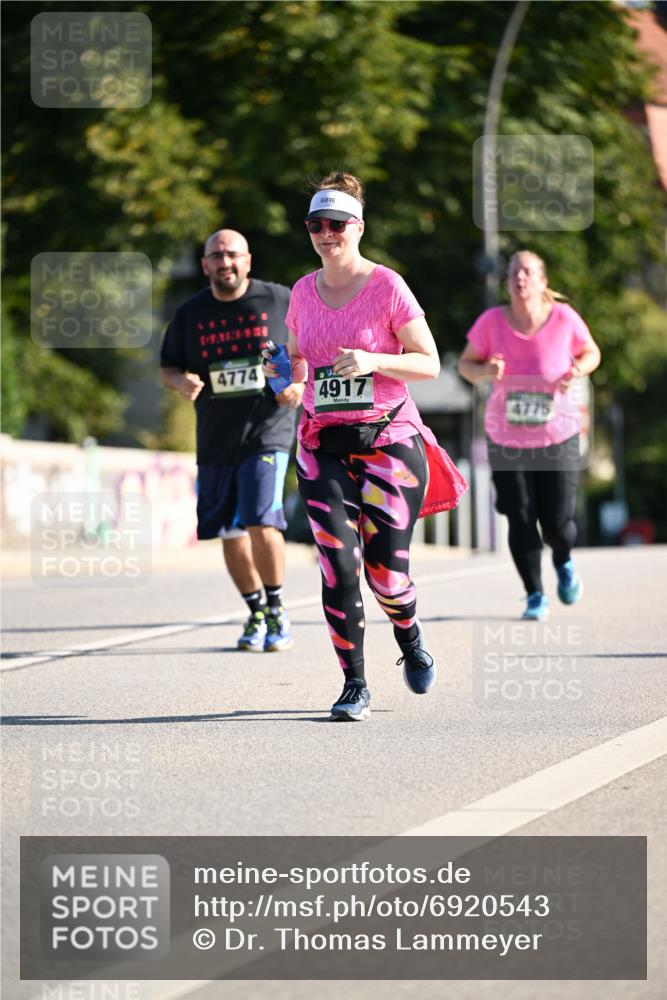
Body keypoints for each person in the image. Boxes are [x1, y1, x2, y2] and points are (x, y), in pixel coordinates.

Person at [263, 172, 467, 720]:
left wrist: (375, 359)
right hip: (322, 442)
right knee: (337, 564)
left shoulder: (387, 286)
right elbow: (296, 361)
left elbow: (429, 362)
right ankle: (354, 685)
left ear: (358, 227)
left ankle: (409, 633)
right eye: (315, 225)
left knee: (386, 575)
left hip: (388, 440)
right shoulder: (303, 291)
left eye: (336, 224)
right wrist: (284, 378)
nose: (326, 234)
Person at [160, 228, 304, 651]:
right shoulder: (190, 314)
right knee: (228, 530)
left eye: (233, 255)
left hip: (268, 429)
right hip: (215, 436)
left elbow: (311, 344)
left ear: (248, 260)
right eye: (217, 256)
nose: (225, 263)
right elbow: (167, 366)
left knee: (261, 518)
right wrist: (179, 382)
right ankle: (255, 609)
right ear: (205, 265)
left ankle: (277, 609)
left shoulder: (281, 299)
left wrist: (300, 382)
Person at [458, 250, 601, 620]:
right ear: (506, 282)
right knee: (520, 517)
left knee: (556, 521)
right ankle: (535, 593)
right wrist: (486, 369)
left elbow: (591, 352)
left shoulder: (564, 319)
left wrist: (577, 369)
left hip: (558, 435)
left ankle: (564, 561)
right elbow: (465, 365)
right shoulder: (491, 322)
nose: (519, 278)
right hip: (507, 438)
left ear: (542, 281)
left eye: (527, 272)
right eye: (513, 273)